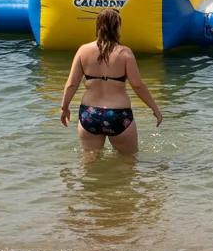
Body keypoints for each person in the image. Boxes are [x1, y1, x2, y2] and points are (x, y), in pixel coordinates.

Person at [59, 9, 162, 155]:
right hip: (119, 115)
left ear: (97, 26)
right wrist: (155, 108)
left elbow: (71, 84)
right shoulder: (125, 53)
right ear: (117, 27)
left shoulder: (83, 51)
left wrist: (64, 108)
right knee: (128, 161)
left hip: (90, 114)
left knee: (89, 162)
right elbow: (137, 85)